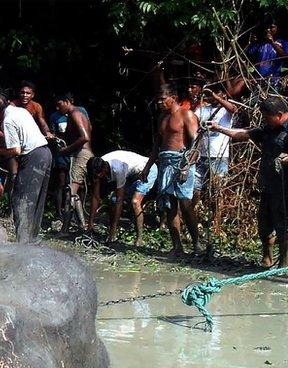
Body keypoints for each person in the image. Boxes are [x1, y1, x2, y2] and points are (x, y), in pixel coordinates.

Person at [208, 96, 288, 268]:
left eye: (267, 117)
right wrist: (218, 128)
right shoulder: (268, 129)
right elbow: (242, 134)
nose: (264, 120)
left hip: (285, 189)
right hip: (268, 186)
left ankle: (283, 265)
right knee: (264, 223)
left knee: (284, 227)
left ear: (280, 115)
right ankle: (267, 260)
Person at [140, 85, 200, 256]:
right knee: (169, 205)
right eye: (158, 99)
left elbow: (196, 144)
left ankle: (196, 245)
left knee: (186, 205)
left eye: (162, 98)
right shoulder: (162, 117)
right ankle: (177, 246)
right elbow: (157, 145)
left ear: (173, 97)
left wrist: (187, 166)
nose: (159, 102)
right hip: (165, 163)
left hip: (182, 161)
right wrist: (147, 168)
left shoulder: (186, 114)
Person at [0, 93, 52, 243]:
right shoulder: (20, 111)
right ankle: (32, 239)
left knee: (21, 199)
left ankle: (23, 243)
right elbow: (16, 137)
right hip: (46, 153)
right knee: (37, 200)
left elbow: (15, 150)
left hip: (34, 156)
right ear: (8, 102)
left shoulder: (7, 120)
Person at [85, 151, 157, 243]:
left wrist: (114, 232)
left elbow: (120, 200)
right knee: (113, 200)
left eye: (99, 175)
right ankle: (111, 231)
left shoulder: (118, 170)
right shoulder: (97, 164)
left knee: (135, 201)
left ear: (105, 168)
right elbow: (95, 196)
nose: (98, 177)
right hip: (132, 174)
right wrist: (90, 224)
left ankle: (139, 238)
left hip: (148, 169)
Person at [191, 84, 239, 206]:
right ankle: (194, 214)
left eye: (218, 93)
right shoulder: (202, 109)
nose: (213, 97)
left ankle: (216, 219)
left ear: (223, 94)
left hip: (219, 156)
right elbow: (191, 120)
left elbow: (234, 109)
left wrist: (216, 97)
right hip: (200, 155)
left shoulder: (225, 111)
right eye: (212, 94)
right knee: (196, 187)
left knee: (219, 189)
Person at [54, 92, 94, 232]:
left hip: (81, 154)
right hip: (83, 153)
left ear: (66, 101)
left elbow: (84, 137)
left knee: (70, 190)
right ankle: (81, 226)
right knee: (74, 191)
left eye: (59, 105)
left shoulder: (75, 113)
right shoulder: (80, 113)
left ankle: (65, 229)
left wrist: (67, 149)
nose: (58, 109)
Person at [247, 17, 288, 90]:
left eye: (272, 27)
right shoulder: (260, 43)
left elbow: (285, 57)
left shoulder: (283, 42)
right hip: (258, 82)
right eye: (267, 27)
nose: (268, 30)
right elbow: (249, 55)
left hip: (274, 82)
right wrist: (253, 42)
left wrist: (272, 43)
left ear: (277, 28)